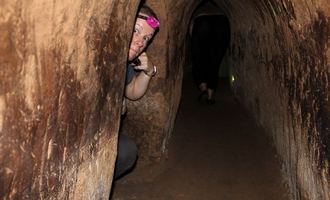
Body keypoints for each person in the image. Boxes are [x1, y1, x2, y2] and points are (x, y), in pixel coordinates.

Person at [114, 4, 160, 179]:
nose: (141, 41)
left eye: (147, 38)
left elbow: (133, 92)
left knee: (127, 151)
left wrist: (148, 71)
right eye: (136, 30)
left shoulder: (125, 63)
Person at [190, 1, 230, 104]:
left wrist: (193, 39)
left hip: (201, 22)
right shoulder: (220, 10)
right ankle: (210, 96)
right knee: (214, 63)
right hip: (222, 23)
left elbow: (191, 29)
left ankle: (203, 88)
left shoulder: (198, 10)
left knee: (198, 59)